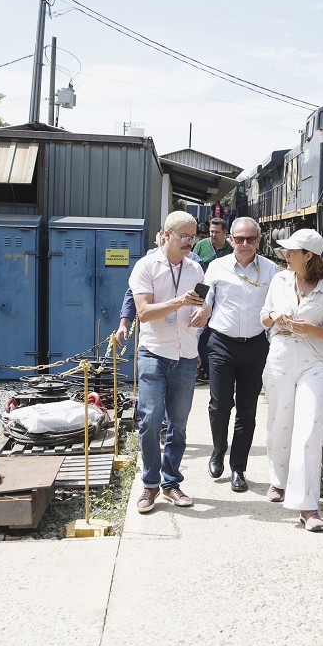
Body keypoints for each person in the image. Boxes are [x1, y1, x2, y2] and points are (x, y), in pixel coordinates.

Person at [259, 228, 323, 532]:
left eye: (292, 251)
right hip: (281, 355)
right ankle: (278, 480)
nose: (286, 254)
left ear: (308, 256)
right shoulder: (280, 280)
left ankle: (308, 506)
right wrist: (276, 317)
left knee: (309, 429)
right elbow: (263, 316)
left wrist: (311, 328)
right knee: (279, 423)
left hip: (314, 362)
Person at [190, 217, 278, 493]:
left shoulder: (271, 270)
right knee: (219, 405)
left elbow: (276, 307)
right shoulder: (215, 267)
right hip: (221, 344)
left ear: (258, 241)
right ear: (230, 240)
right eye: (239, 239)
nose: (244, 244)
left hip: (255, 345)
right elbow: (203, 301)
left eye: (250, 239)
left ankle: (238, 468)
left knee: (247, 410)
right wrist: (196, 339)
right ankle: (218, 450)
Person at [128, 211, 208, 513]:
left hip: (186, 355)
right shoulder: (146, 266)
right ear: (167, 235)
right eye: (184, 236)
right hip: (154, 352)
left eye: (193, 235)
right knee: (150, 419)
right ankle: (149, 484)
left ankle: (171, 482)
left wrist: (203, 316)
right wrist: (179, 302)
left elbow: (201, 309)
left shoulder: (196, 270)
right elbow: (144, 313)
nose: (190, 241)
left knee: (179, 424)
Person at [191, 217, 232, 381]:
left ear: (225, 233)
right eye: (211, 232)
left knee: (213, 331)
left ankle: (210, 367)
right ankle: (202, 367)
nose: (213, 235)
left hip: (223, 295)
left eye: (216, 232)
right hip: (203, 293)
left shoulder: (231, 248)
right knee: (201, 329)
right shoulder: (201, 246)